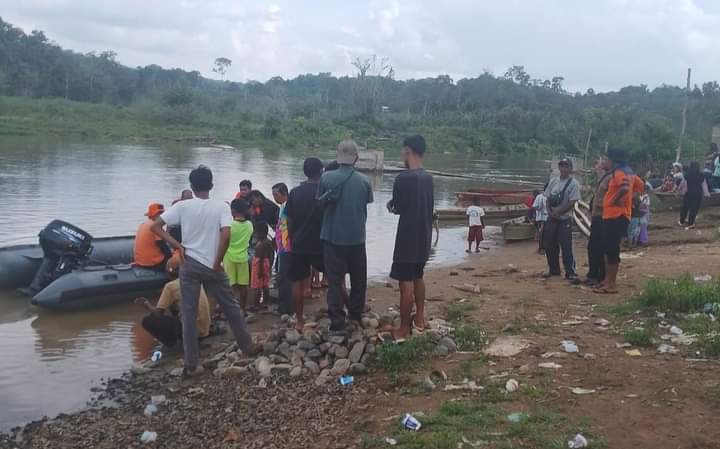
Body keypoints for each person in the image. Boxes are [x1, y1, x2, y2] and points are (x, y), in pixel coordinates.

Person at [151, 165, 258, 376]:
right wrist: (217, 262)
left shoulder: (183, 206)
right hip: (212, 264)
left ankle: (191, 363)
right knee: (231, 307)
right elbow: (226, 236)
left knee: (188, 313)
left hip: (189, 263)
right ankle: (248, 346)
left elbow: (155, 226)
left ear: (191, 185)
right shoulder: (220, 207)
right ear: (211, 185)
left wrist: (177, 245)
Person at [319, 140, 373, 333]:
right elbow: (367, 201)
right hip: (357, 238)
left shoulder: (326, 178)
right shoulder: (364, 181)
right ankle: (356, 315)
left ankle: (337, 322)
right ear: (356, 158)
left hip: (332, 239)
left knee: (334, 281)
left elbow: (319, 203)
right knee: (359, 280)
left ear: (338, 157)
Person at [387, 135, 434, 339]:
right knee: (418, 277)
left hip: (407, 238)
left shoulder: (403, 178)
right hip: (424, 236)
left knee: (405, 283)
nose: (402, 155)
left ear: (408, 151)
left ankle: (404, 328)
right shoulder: (428, 177)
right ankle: (420, 318)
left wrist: (391, 207)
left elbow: (398, 206)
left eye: (403, 151)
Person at [593, 149, 644, 294]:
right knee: (609, 249)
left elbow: (625, 188)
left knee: (612, 250)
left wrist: (614, 201)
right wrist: (629, 199)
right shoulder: (630, 173)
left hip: (616, 215)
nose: (605, 161)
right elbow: (641, 187)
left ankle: (611, 284)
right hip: (615, 215)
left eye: (606, 159)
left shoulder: (619, 172)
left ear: (613, 161)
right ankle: (607, 281)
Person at [135, 254, 211, 348]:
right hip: (203, 330)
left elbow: (158, 313)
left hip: (191, 330)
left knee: (148, 320)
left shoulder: (171, 286)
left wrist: (146, 304)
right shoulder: (196, 279)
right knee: (173, 306)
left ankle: (171, 344)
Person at [286, 157, 326, 330]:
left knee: (297, 282)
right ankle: (340, 314)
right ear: (322, 171)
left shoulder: (295, 192)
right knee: (336, 278)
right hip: (322, 243)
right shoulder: (325, 192)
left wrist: (292, 238)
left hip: (299, 244)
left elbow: (289, 218)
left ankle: (300, 320)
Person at [542, 158, 581, 281]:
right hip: (552, 218)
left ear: (570, 169)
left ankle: (570, 272)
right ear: (559, 168)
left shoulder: (574, 184)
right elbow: (547, 198)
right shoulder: (553, 181)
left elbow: (572, 202)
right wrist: (549, 212)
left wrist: (558, 212)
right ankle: (553, 269)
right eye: (562, 166)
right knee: (549, 244)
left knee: (566, 246)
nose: (564, 169)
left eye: (566, 166)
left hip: (564, 219)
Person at [224, 199, 253, 310]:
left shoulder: (230, 225)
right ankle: (242, 308)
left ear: (233, 211)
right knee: (243, 285)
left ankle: (231, 308)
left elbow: (224, 240)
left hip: (229, 257)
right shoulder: (249, 225)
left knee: (231, 285)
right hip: (243, 257)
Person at [272, 182, 293, 315]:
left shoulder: (288, 206)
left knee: (284, 278)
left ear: (284, 193)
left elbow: (287, 227)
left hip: (286, 247)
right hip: (282, 246)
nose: (274, 197)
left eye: (276, 194)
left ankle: (285, 308)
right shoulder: (282, 206)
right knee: (282, 277)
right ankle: (284, 306)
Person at [134, 203, 172, 271]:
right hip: (152, 264)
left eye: (162, 213)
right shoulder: (155, 227)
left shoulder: (144, 224)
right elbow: (163, 246)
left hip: (140, 262)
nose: (162, 216)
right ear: (153, 215)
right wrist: (172, 258)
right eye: (159, 214)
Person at [250, 222, 274, 309]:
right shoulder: (269, 242)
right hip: (266, 264)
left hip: (259, 266)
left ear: (259, 233)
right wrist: (269, 267)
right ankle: (265, 302)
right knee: (265, 284)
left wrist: (260, 271)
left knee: (257, 286)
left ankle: (256, 304)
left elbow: (259, 260)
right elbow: (272, 255)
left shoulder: (260, 245)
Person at [679, 161, 710, 230]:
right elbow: (704, 185)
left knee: (685, 208)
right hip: (697, 194)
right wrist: (707, 194)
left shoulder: (687, 174)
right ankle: (690, 224)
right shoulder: (701, 175)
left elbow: (683, 184)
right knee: (694, 209)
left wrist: (680, 191)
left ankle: (681, 221)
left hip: (688, 194)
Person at [531, 190, 548, 254]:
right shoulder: (550, 195)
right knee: (545, 234)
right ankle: (544, 248)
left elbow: (534, 206)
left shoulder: (539, 197)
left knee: (541, 233)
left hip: (541, 218)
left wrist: (539, 209)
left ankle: (541, 249)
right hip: (548, 218)